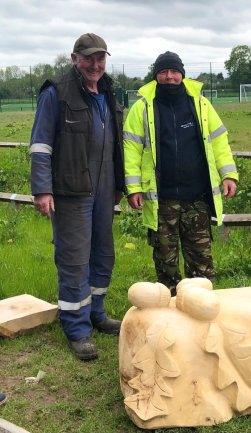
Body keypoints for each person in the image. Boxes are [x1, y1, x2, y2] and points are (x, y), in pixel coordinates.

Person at [29, 33, 125, 361]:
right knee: (74, 259)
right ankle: (76, 327)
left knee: (103, 253)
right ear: (74, 59)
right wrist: (42, 189)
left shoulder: (109, 91)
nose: (95, 64)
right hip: (71, 190)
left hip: (104, 186)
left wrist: (120, 185)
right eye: (88, 58)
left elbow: (116, 142)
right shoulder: (56, 92)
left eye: (100, 58)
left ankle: (96, 312)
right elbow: (40, 144)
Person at [124, 51, 238, 296]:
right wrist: (133, 188)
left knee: (201, 265)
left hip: (196, 199)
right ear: (156, 76)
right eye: (163, 72)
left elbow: (219, 142)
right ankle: (171, 318)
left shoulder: (201, 104)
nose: (169, 77)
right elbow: (131, 150)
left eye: (174, 72)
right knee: (166, 265)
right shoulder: (142, 107)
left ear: (182, 74)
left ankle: (202, 311)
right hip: (161, 200)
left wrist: (228, 175)